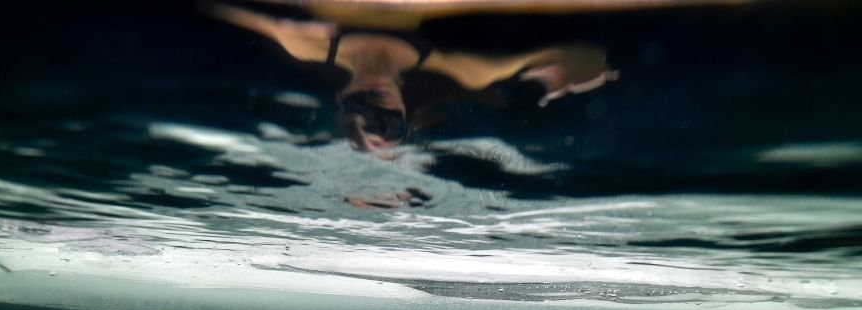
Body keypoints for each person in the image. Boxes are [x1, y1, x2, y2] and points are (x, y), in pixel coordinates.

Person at [204, 1, 619, 152]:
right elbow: (581, 57)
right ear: (404, 110)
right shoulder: (464, 71)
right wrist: (567, 72)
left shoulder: (307, 44)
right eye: (391, 123)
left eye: (366, 119)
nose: (378, 108)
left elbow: (222, 10)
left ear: (343, 102)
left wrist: (289, 18)